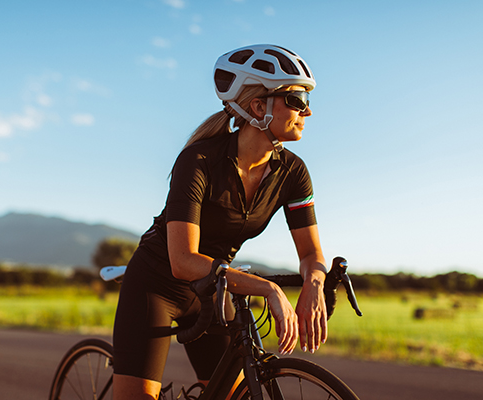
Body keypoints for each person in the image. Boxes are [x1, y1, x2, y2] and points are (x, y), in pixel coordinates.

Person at [112, 44, 328, 400]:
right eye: (296, 99)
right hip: (157, 284)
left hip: (213, 290)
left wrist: (314, 285)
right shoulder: (198, 161)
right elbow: (182, 261)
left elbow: (311, 253)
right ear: (259, 107)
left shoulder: (294, 173)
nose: (307, 110)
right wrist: (269, 288)